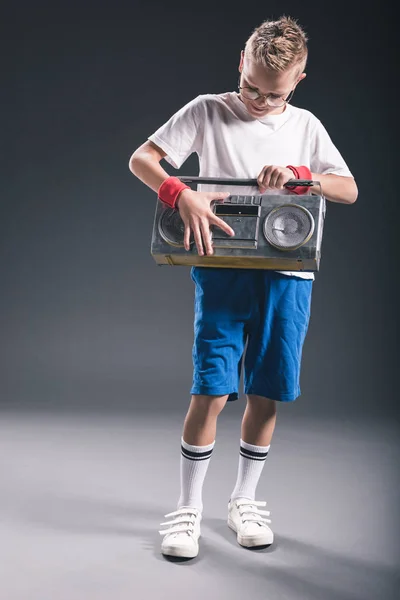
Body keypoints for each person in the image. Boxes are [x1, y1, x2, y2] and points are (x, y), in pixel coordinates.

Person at [129, 15, 358, 559]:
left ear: (299, 78)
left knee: (267, 387)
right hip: (223, 266)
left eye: (271, 92)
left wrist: (304, 176)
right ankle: (187, 510)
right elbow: (143, 159)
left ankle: (244, 501)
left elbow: (346, 189)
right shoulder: (208, 109)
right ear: (240, 62)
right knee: (210, 384)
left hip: (286, 273)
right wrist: (178, 192)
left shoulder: (306, 125)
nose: (257, 99)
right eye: (250, 85)